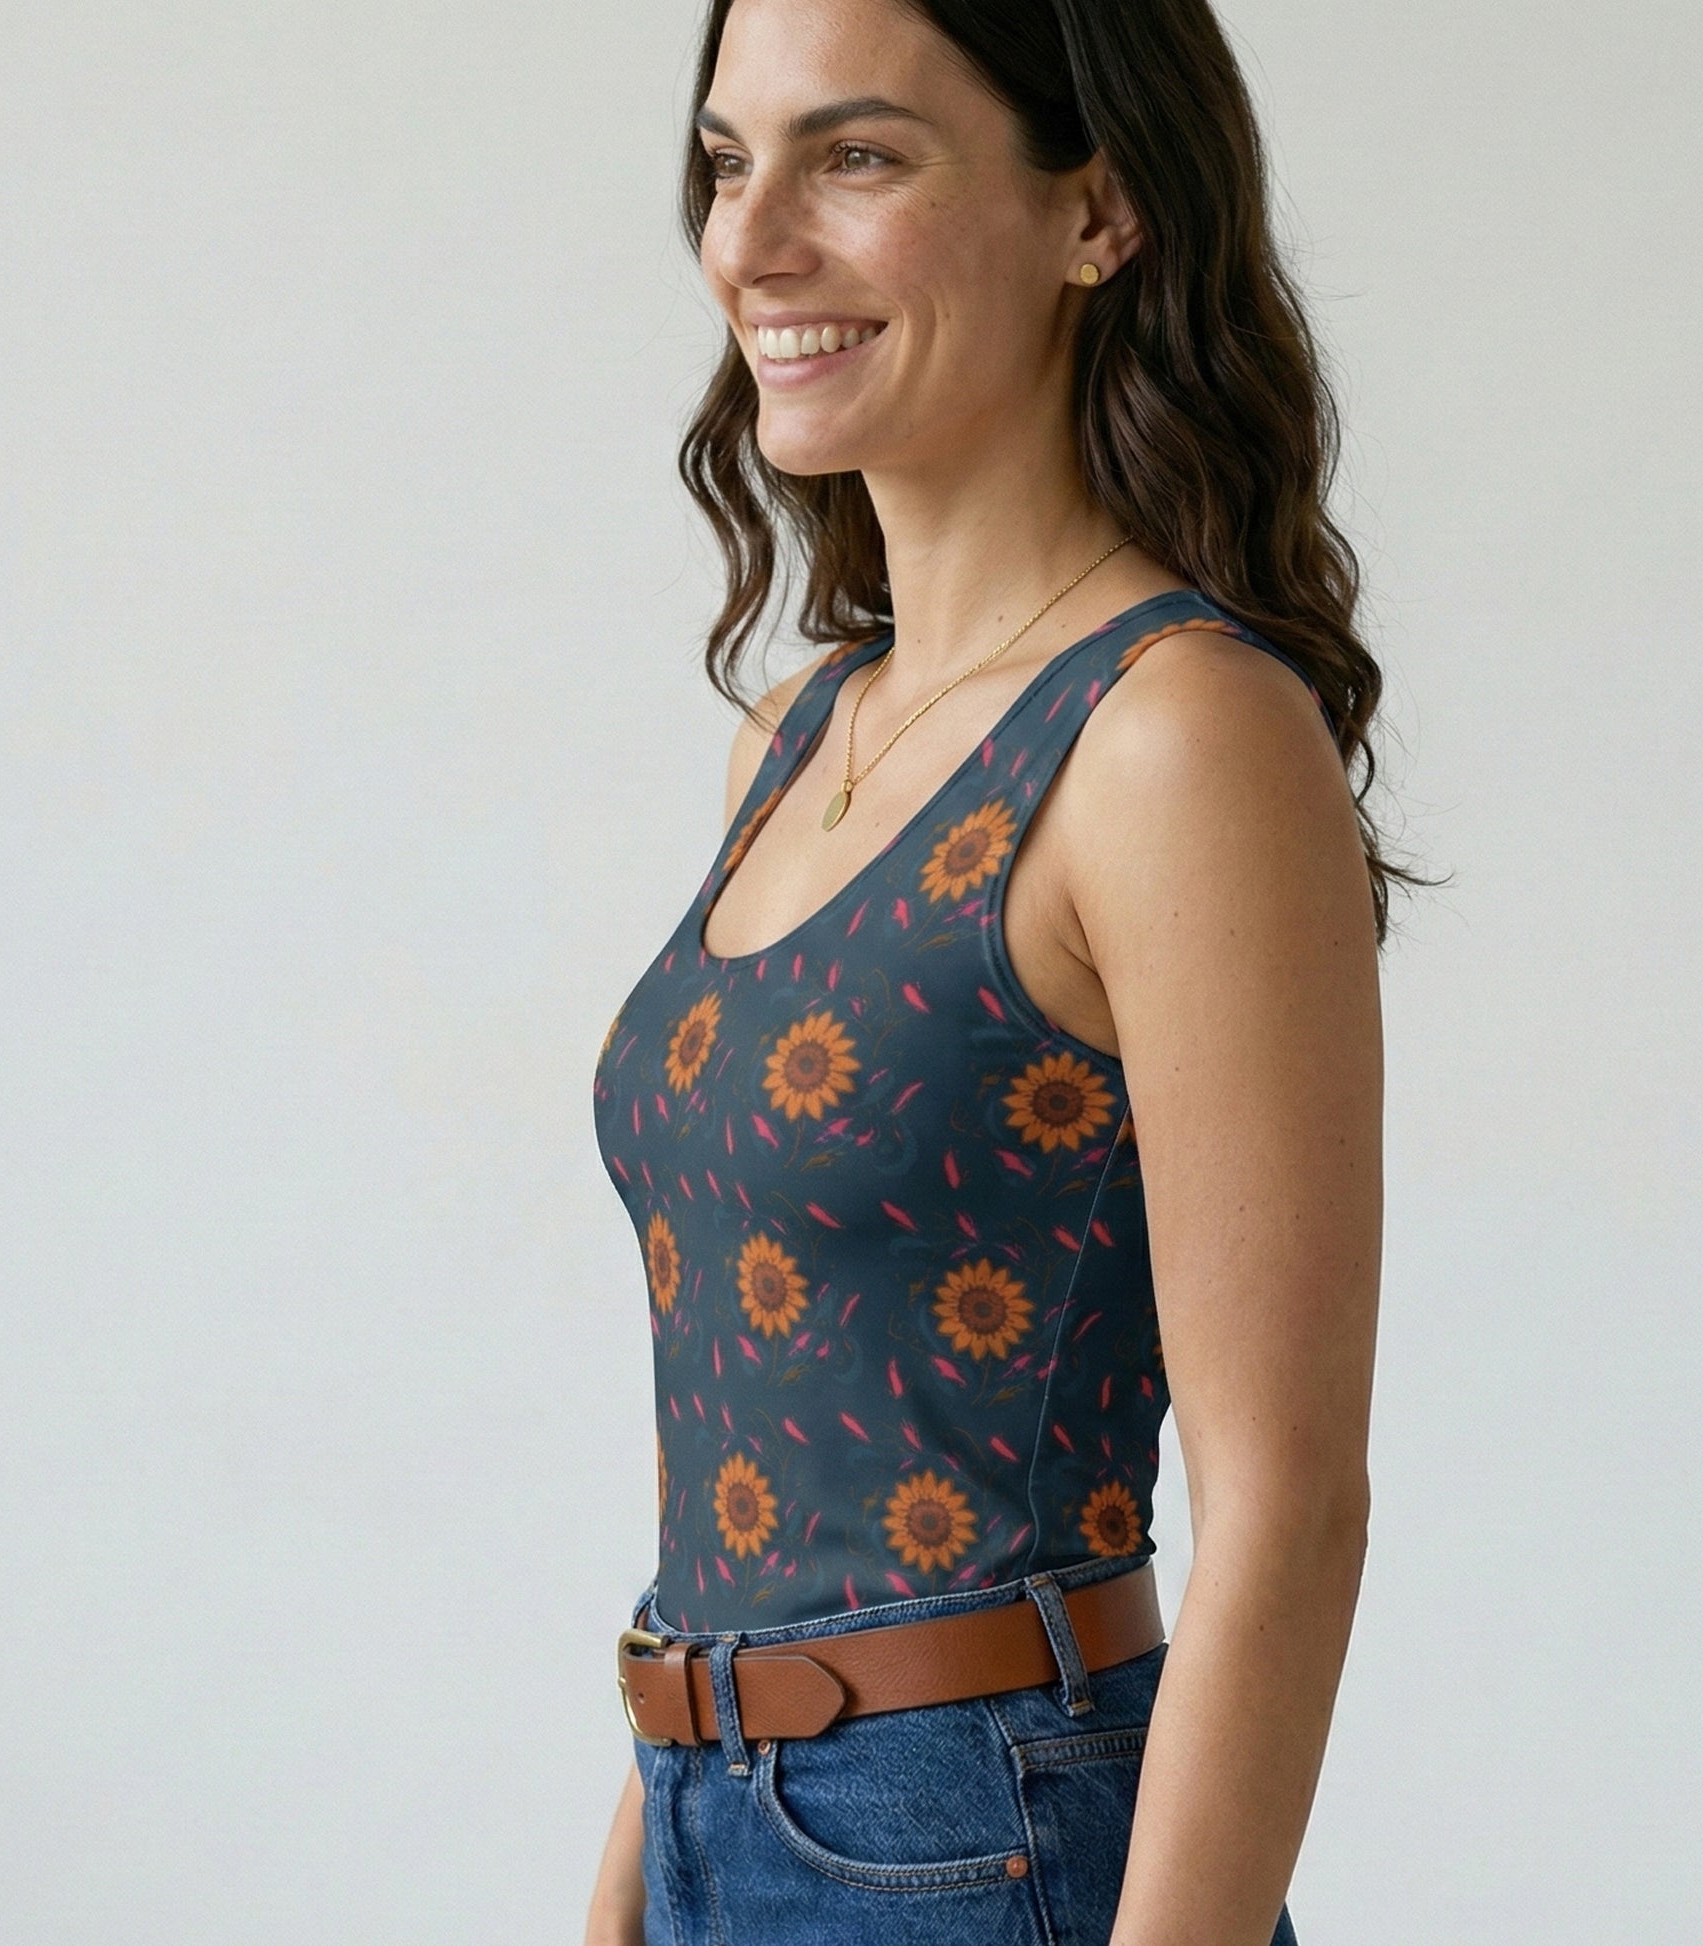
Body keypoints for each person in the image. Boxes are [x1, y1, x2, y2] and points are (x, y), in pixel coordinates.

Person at [586, 1, 1399, 1939]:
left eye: (853, 156)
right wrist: (637, 1865)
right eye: (726, 159)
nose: (748, 239)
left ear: (1097, 208)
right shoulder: (791, 738)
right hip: (708, 1810)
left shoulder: (1173, 739)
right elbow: (752, 1448)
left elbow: (1288, 1509)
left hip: (977, 1844)